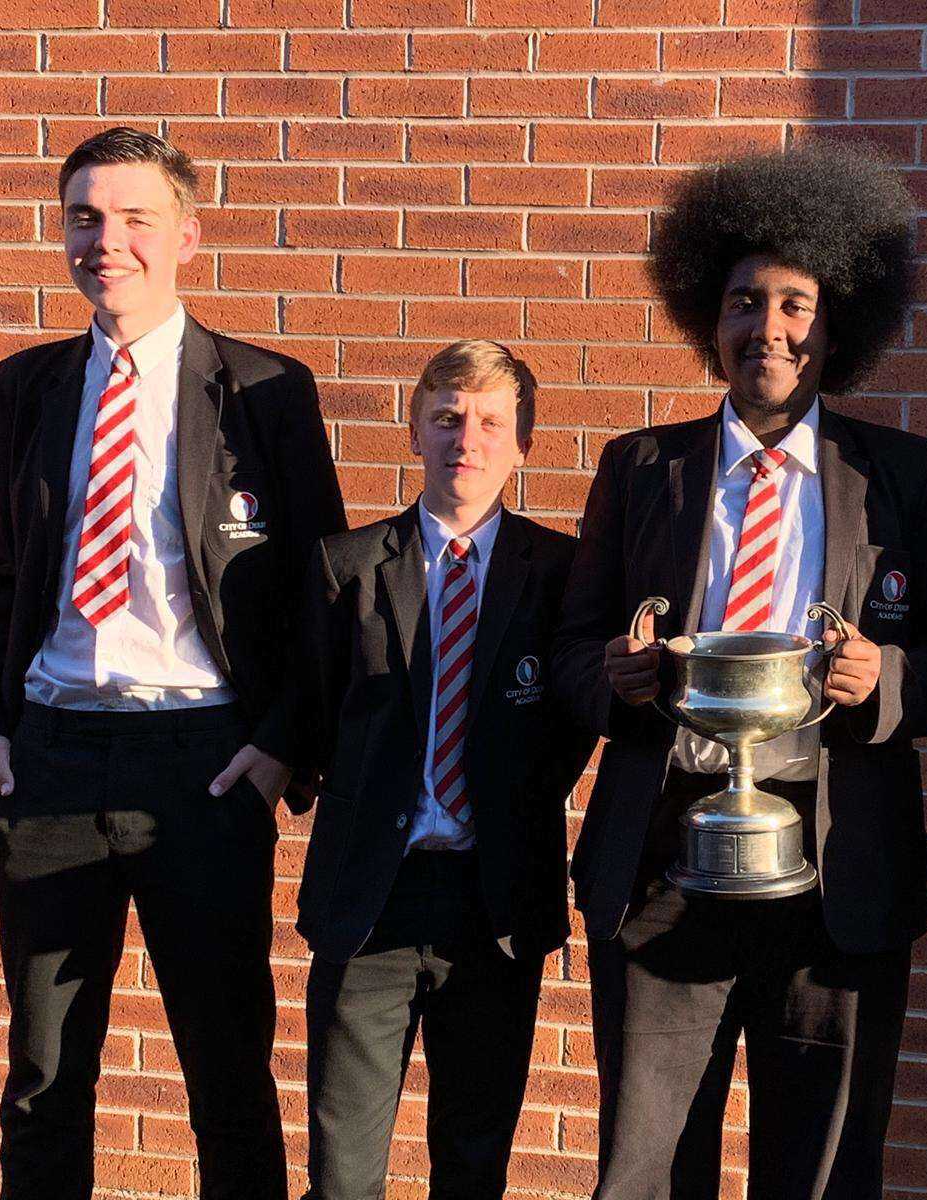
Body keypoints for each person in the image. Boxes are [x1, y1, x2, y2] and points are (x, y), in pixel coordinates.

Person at [551, 144, 927, 1200]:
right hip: (663, 862)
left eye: (796, 304)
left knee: (824, 1170)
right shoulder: (641, 467)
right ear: (710, 317)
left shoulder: (903, 475)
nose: (769, 328)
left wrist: (883, 679)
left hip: (838, 870)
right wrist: (614, 676)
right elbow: (568, 650)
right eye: (745, 302)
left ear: (838, 326)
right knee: (646, 1170)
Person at [0, 127, 346, 1200]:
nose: (107, 241)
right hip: (51, 761)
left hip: (202, 766)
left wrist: (278, 746)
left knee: (227, 1073)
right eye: (85, 217)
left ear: (187, 235)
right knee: (45, 1079)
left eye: (136, 218)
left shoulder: (264, 389)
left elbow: (322, 594)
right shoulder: (30, 385)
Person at [294, 340, 596, 1200]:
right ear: (415, 431)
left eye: (492, 422)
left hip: (493, 902)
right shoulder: (348, 566)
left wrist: (507, 805)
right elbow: (317, 715)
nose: (467, 438)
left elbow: (569, 730)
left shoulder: (560, 575)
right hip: (371, 898)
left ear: (523, 444)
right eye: (448, 417)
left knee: (473, 1161)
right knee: (343, 1171)